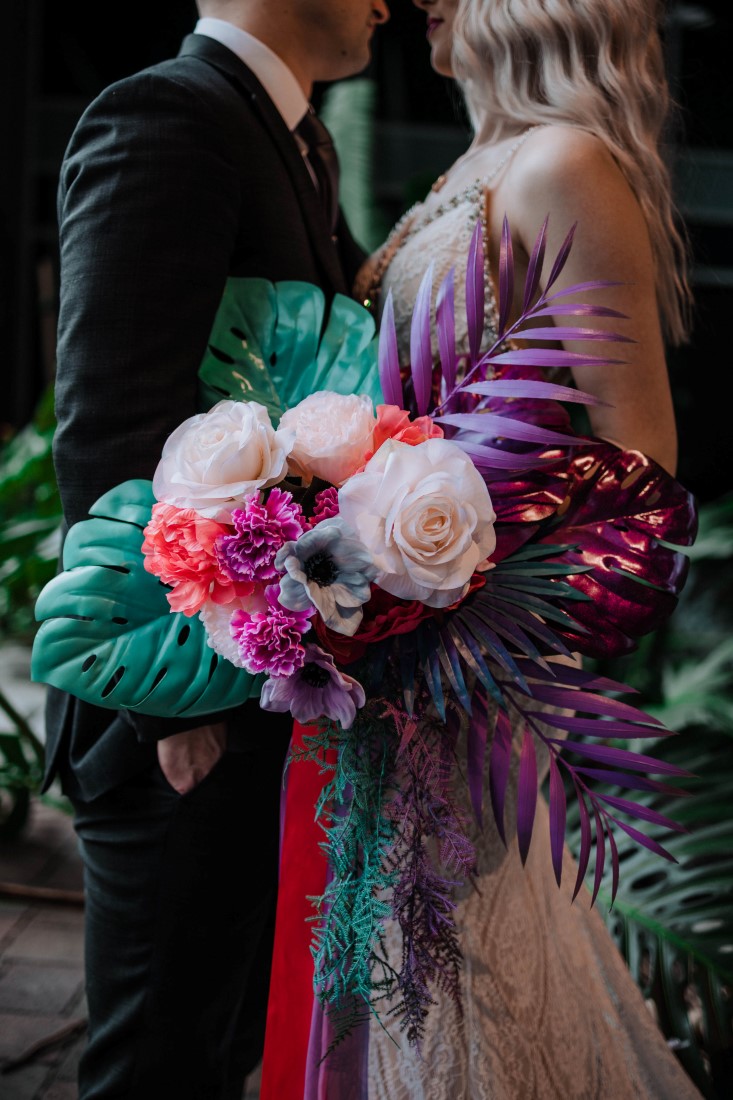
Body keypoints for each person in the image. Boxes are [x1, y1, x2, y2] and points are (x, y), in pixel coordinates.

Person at [260, 0, 704, 1097]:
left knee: (467, 982)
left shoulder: (566, 162)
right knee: (399, 975)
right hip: (394, 654)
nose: (423, 0)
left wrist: (437, 570)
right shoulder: (481, 159)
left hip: (467, 664)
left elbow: (638, 457)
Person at [43, 1, 389, 1098]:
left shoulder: (295, 136)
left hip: (255, 692)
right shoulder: (165, 121)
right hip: (174, 711)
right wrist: (173, 704)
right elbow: (109, 421)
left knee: (219, 1046)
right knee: (156, 1066)